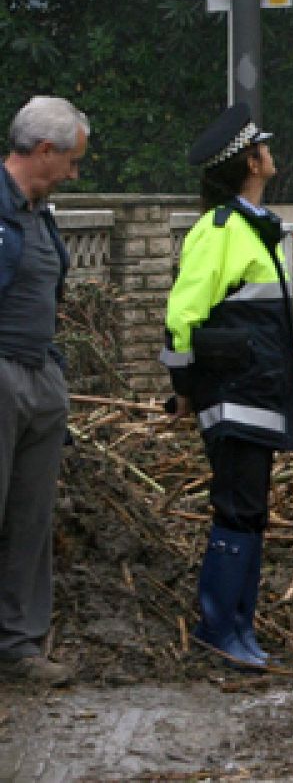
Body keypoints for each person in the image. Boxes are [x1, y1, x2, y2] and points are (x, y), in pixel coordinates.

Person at [161, 104, 293, 669]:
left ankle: (239, 627)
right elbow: (181, 317)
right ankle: (218, 628)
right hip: (235, 397)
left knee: (251, 511)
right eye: (263, 146)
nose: (271, 153)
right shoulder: (219, 231)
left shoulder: (253, 229)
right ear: (251, 159)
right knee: (237, 509)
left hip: (259, 396)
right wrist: (185, 388)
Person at [0, 96, 89, 688]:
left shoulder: (40, 212)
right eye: (72, 161)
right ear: (44, 151)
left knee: (30, 518)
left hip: (39, 374)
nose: (75, 173)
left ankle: (18, 647)